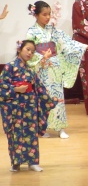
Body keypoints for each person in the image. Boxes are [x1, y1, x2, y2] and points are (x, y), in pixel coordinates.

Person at [26, 1, 88, 139]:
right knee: (43, 98)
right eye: (44, 14)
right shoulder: (31, 31)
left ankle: (60, 128)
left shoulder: (52, 30)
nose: (47, 17)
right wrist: (41, 57)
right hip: (42, 68)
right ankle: (43, 127)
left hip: (55, 67)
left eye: (49, 14)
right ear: (36, 15)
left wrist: (85, 47)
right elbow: (28, 49)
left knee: (58, 98)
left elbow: (66, 43)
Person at [0, 40, 57, 172]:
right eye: (28, 49)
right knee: (15, 134)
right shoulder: (9, 67)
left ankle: (33, 162)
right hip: (14, 106)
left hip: (30, 106)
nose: (30, 53)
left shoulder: (30, 70)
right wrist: (15, 89)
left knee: (31, 133)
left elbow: (39, 87)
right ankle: (16, 163)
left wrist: (50, 100)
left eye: (32, 51)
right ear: (20, 49)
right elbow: (1, 85)